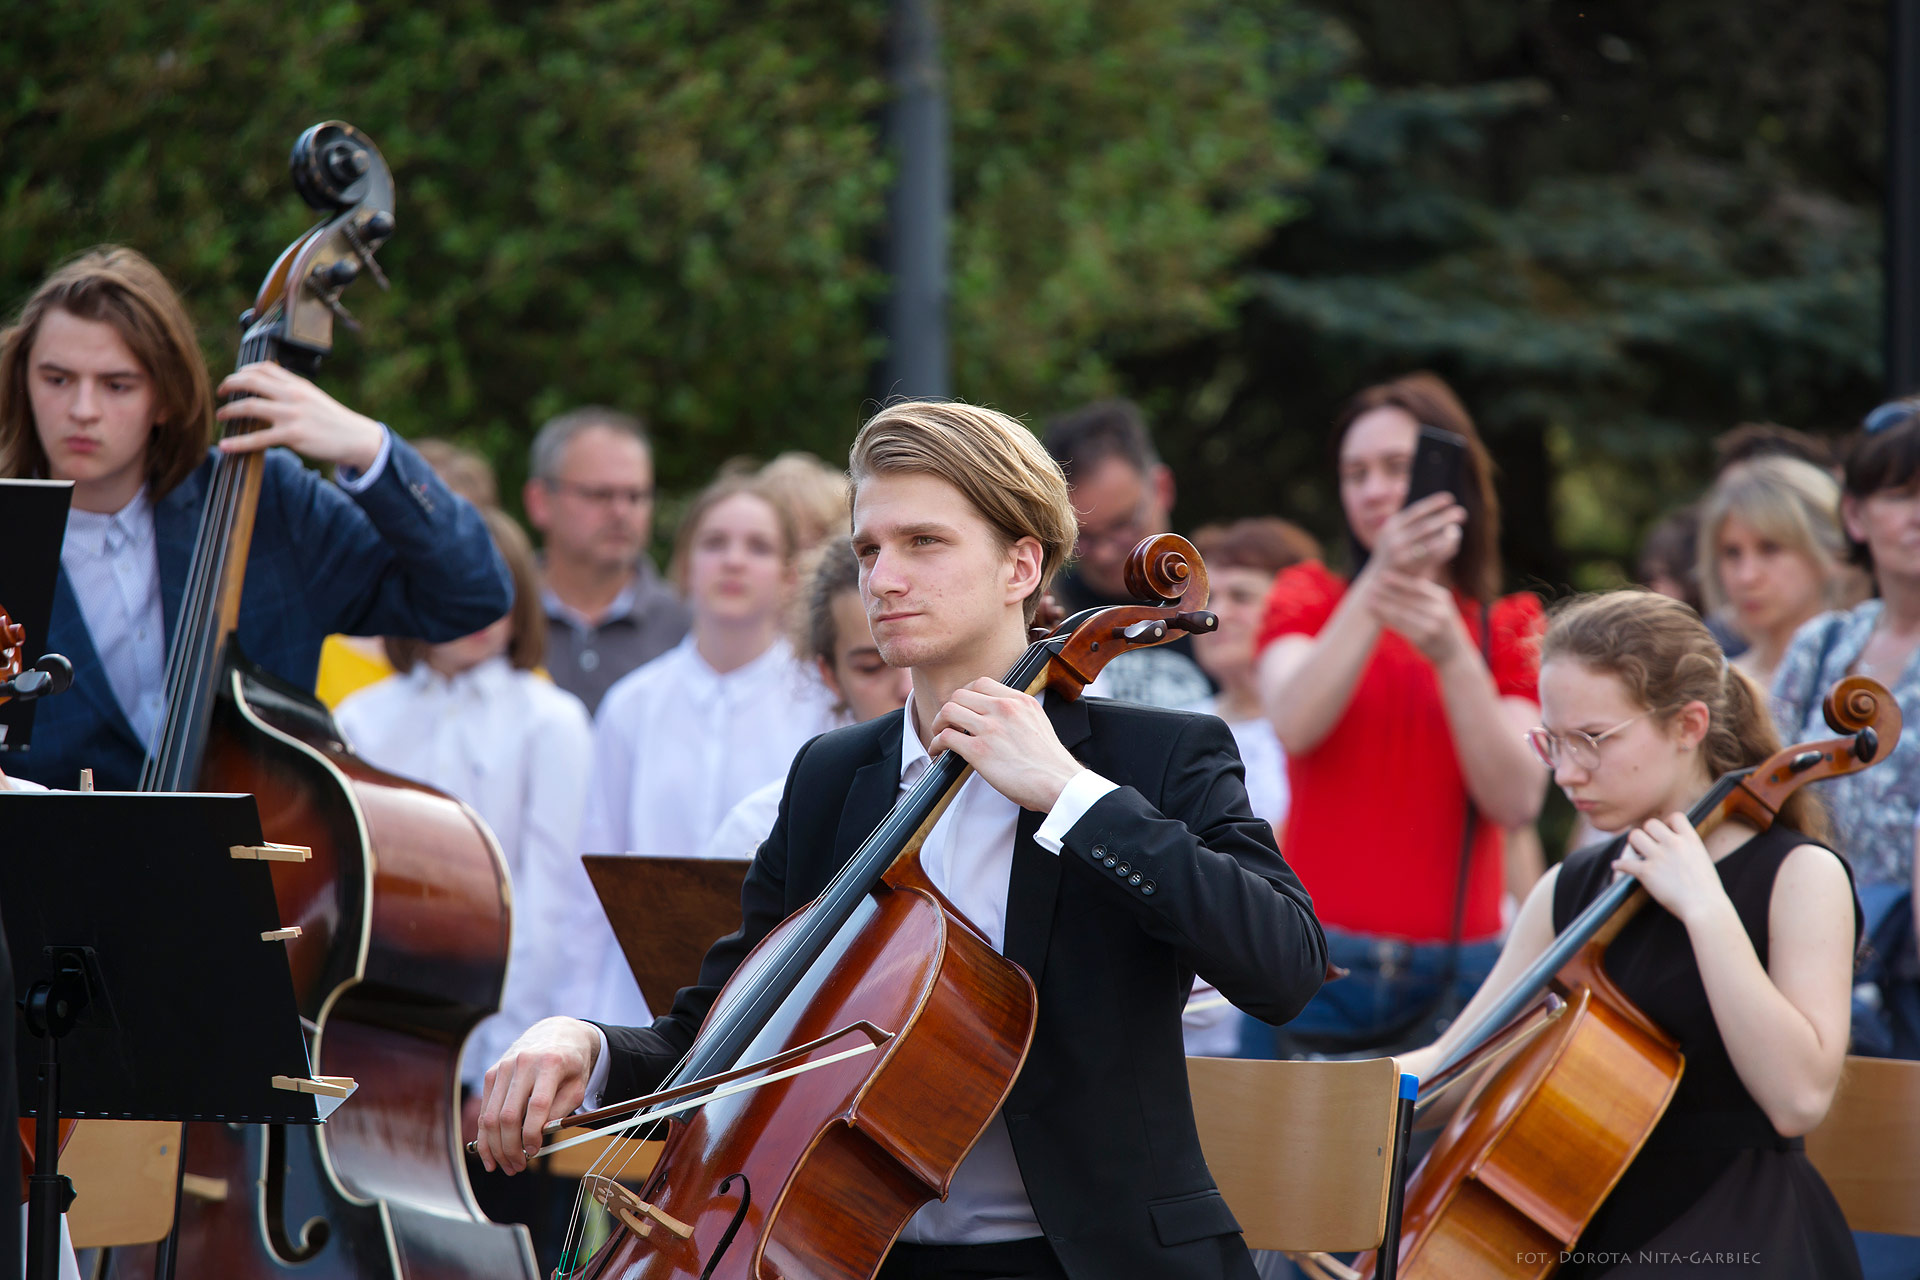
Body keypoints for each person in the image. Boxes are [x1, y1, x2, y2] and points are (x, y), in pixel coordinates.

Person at [474, 399, 1327, 1280]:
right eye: (870, 549)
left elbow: (1284, 966)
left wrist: (1071, 794)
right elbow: (727, 1037)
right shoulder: (833, 776)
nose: (882, 579)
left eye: (925, 543)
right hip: (862, 1256)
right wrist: (586, 1044)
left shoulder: (1151, 757)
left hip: (1091, 1260)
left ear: (1020, 564)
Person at [1401, 591, 1862, 1280]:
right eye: (1552, 742)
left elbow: (1798, 1099)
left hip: (1741, 1239)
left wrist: (1705, 908)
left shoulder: (1800, 875)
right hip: (1575, 1233)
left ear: (1689, 724)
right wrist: (1331, 1101)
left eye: (1593, 739)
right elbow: (1460, 1067)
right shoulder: (1572, 887)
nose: (1567, 772)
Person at [0, 246, 511, 791]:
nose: (82, 409)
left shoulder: (267, 504)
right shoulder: (11, 532)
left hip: (264, 862)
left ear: (166, 398)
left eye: (117, 385)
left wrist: (369, 449)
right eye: (56, 380)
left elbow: (470, 595)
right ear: (24, 381)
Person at [1250, 372, 1545, 1057]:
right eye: (1356, 473)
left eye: (1397, 468)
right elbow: (1294, 721)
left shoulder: (1504, 629)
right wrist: (1380, 582)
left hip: (1458, 972)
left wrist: (1452, 656)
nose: (1375, 490)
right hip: (1315, 958)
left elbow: (1517, 797)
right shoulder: (1310, 598)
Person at [556, 472, 838, 1027]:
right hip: (633, 1000)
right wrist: (571, 1018)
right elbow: (592, 882)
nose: (733, 561)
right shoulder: (633, 704)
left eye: (757, 547)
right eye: (714, 543)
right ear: (685, 565)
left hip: (770, 997)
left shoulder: (819, 700)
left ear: (789, 576)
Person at [333, 507, 592, 1100]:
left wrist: (506, 1057)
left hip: (502, 1043)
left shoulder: (550, 719)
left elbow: (549, 902)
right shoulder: (360, 718)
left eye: (495, 587)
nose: (479, 608)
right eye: (459, 584)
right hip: (374, 1039)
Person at [699, 539, 911, 860]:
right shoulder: (759, 828)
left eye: (927, 661)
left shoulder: (1007, 797)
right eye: (871, 667)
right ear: (830, 676)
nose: (908, 687)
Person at [1043, 399, 1213, 708]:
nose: (1105, 554)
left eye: (1122, 525)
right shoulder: (1049, 617)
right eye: (1084, 536)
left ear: (1162, 489)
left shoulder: (1232, 602)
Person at [523, 406, 689, 714]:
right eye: (600, 494)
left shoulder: (688, 628)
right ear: (540, 502)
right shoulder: (497, 622)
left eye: (636, 496)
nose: (620, 512)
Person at [315, 436, 503, 708]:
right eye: (417, 523)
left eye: (454, 532)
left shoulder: (512, 671)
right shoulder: (322, 654)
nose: (436, 550)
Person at [1695, 456, 1848, 692]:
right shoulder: (1711, 689)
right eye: (1732, 552)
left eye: (1770, 548)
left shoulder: (1864, 674)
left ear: (1828, 551)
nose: (1747, 576)